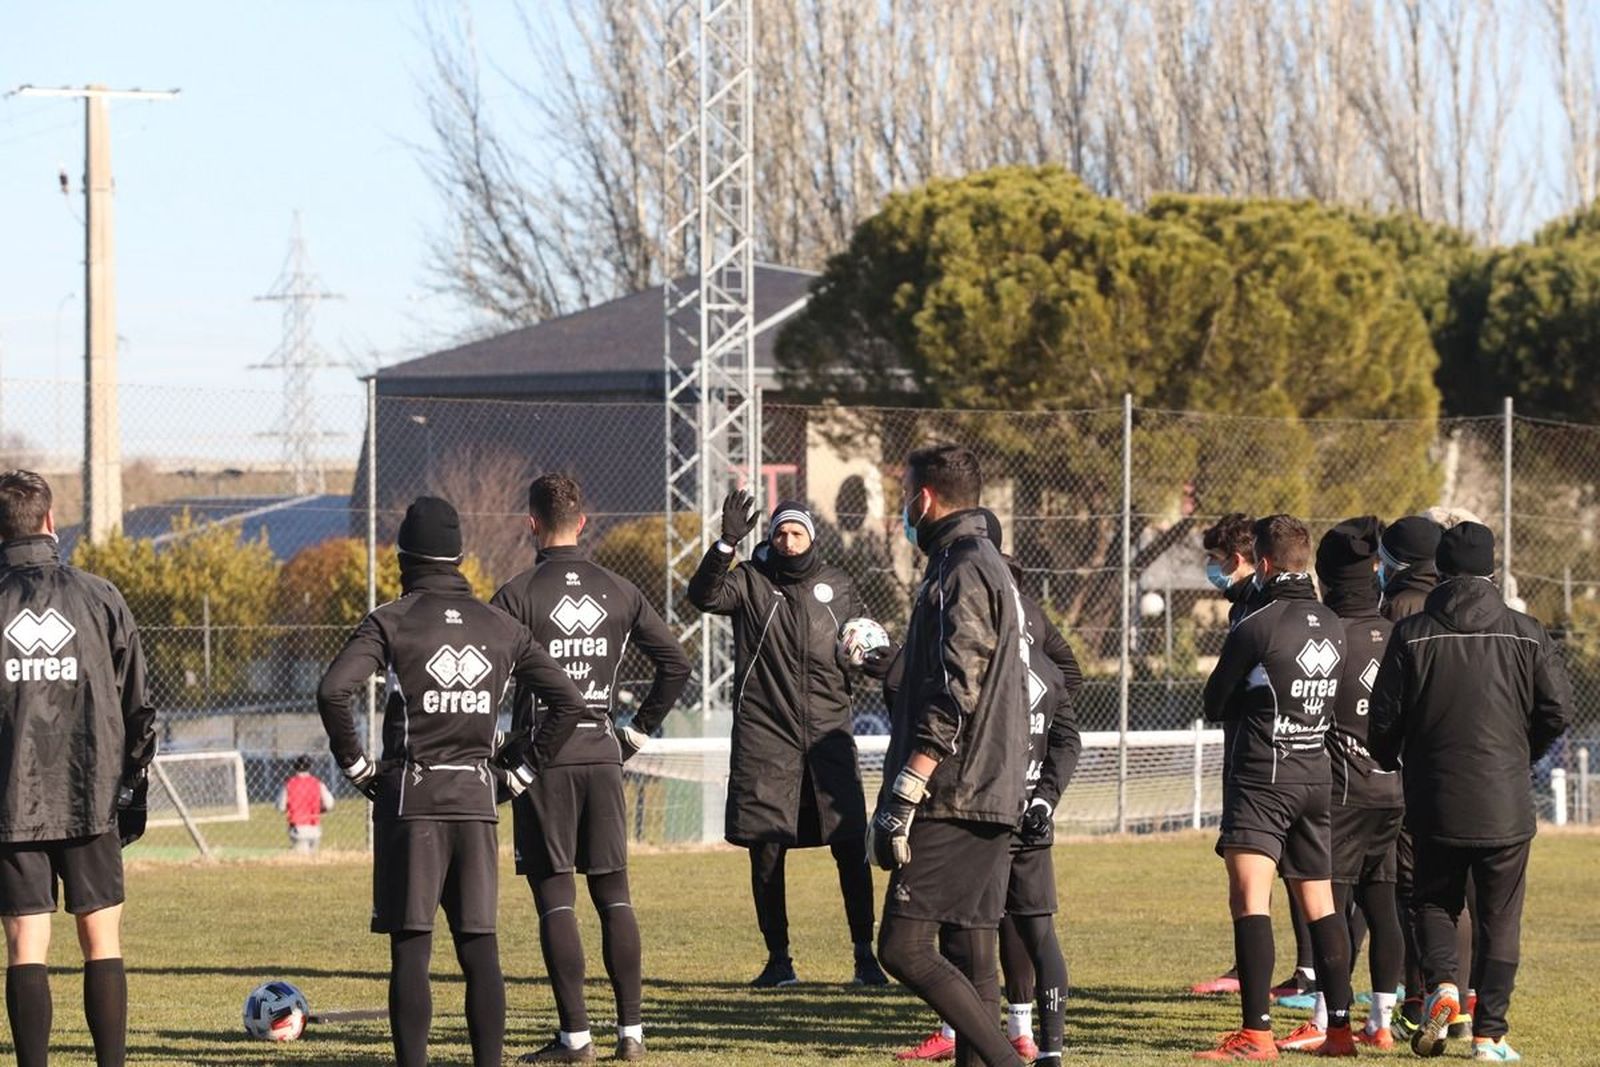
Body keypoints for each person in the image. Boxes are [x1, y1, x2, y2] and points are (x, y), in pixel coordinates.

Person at [316, 496, 589, 1067]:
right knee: (479, 947)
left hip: (411, 803)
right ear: (459, 555)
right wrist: (519, 773)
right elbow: (568, 701)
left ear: (403, 558)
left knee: (412, 950)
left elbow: (333, 690)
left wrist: (358, 766)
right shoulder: (500, 626)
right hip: (476, 802)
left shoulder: (390, 619)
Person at [491, 474, 692, 1063]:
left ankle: (576, 1038)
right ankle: (632, 1035)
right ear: (584, 522)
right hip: (602, 755)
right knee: (614, 896)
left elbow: (488, 677)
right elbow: (675, 664)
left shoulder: (517, 595)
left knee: (556, 899)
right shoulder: (620, 590)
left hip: (544, 762)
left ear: (531, 524)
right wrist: (632, 732)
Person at [1369, 522, 1569, 1062]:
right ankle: (1489, 1035)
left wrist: (1394, 760)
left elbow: (1382, 720)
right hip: (1505, 801)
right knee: (1499, 918)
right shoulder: (1526, 632)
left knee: (1434, 900)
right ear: (1491, 569)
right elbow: (1558, 711)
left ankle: (1444, 989)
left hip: (1434, 798)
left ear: (1443, 570)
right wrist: (1522, 754)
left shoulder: (1412, 635)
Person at [893, 523, 1083, 1065]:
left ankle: (1014, 1043)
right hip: (1015, 811)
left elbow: (949, 699)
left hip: (981, 807)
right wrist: (1045, 796)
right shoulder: (1040, 663)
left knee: (959, 939)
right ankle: (1031, 1044)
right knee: (1000, 937)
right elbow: (1067, 729)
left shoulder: (996, 653)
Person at [871, 444, 1030, 1067]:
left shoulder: (963, 567)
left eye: (904, 495)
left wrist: (910, 784)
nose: (902, 510)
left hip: (958, 789)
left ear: (926, 498)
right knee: (969, 948)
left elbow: (957, 686)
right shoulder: (979, 560)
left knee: (904, 949)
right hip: (990, 785)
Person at [688, 493, 886, 988]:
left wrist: (872, 659)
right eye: (780, 533)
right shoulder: (750, 583)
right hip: (767, 738)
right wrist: (725, 543)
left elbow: (860, 647)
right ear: (770, 538)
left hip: (828, 737)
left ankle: (865, 958)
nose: (788, 541)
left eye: (797, 533)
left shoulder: (838, 585)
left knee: (849, 847)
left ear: (812, 538)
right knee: (766, 850)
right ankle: (779, 961)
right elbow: (703, 596)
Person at [0, 469, 155, 1067]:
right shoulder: (100, 596)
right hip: (92, 798)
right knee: (101, 939)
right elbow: (139, 705)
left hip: (10, 802)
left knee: (25, 947)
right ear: (48, 520)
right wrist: (132, 789)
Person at [1198, 514, 1356, 1060]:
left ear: (1263, 565)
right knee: (1321, 904)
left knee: (1250, 901)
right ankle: (1340, 1033)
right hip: (1316, 772)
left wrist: (1255, 700)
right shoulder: (1334, 622)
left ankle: (1257, 1035)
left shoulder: (1257, 623)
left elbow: (1214, 701)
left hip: (1263, 777)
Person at [1279, 517, 1404, 1052]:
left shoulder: (1328, 633)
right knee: (1383, 906)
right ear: (1374, 573)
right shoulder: (1400, 633)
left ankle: (1329, 1020)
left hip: (1343, 793)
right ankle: (1381, 1023)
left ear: (1326, 579)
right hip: (1396, 790)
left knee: (1333, 910)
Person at [1191, 512, 1317, 1005]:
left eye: (1219, 562)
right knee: (1257, 866)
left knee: (1286, 868)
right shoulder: (1242, 609)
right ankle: (1254, 962)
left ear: (1244, 561)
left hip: (1274, 758)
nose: (1215, 571)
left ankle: (1302, 973)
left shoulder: (1266, 611)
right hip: (1249, 750)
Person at [276, 754, 335, 854]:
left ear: (295, 767)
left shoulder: (289, 784)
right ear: (310, 767)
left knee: (302, 859)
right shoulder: (317, 783)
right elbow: (329, 804)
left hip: (298, 828)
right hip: (315, 828)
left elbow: (280, 807)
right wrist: (320, 809)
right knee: (313, 858)